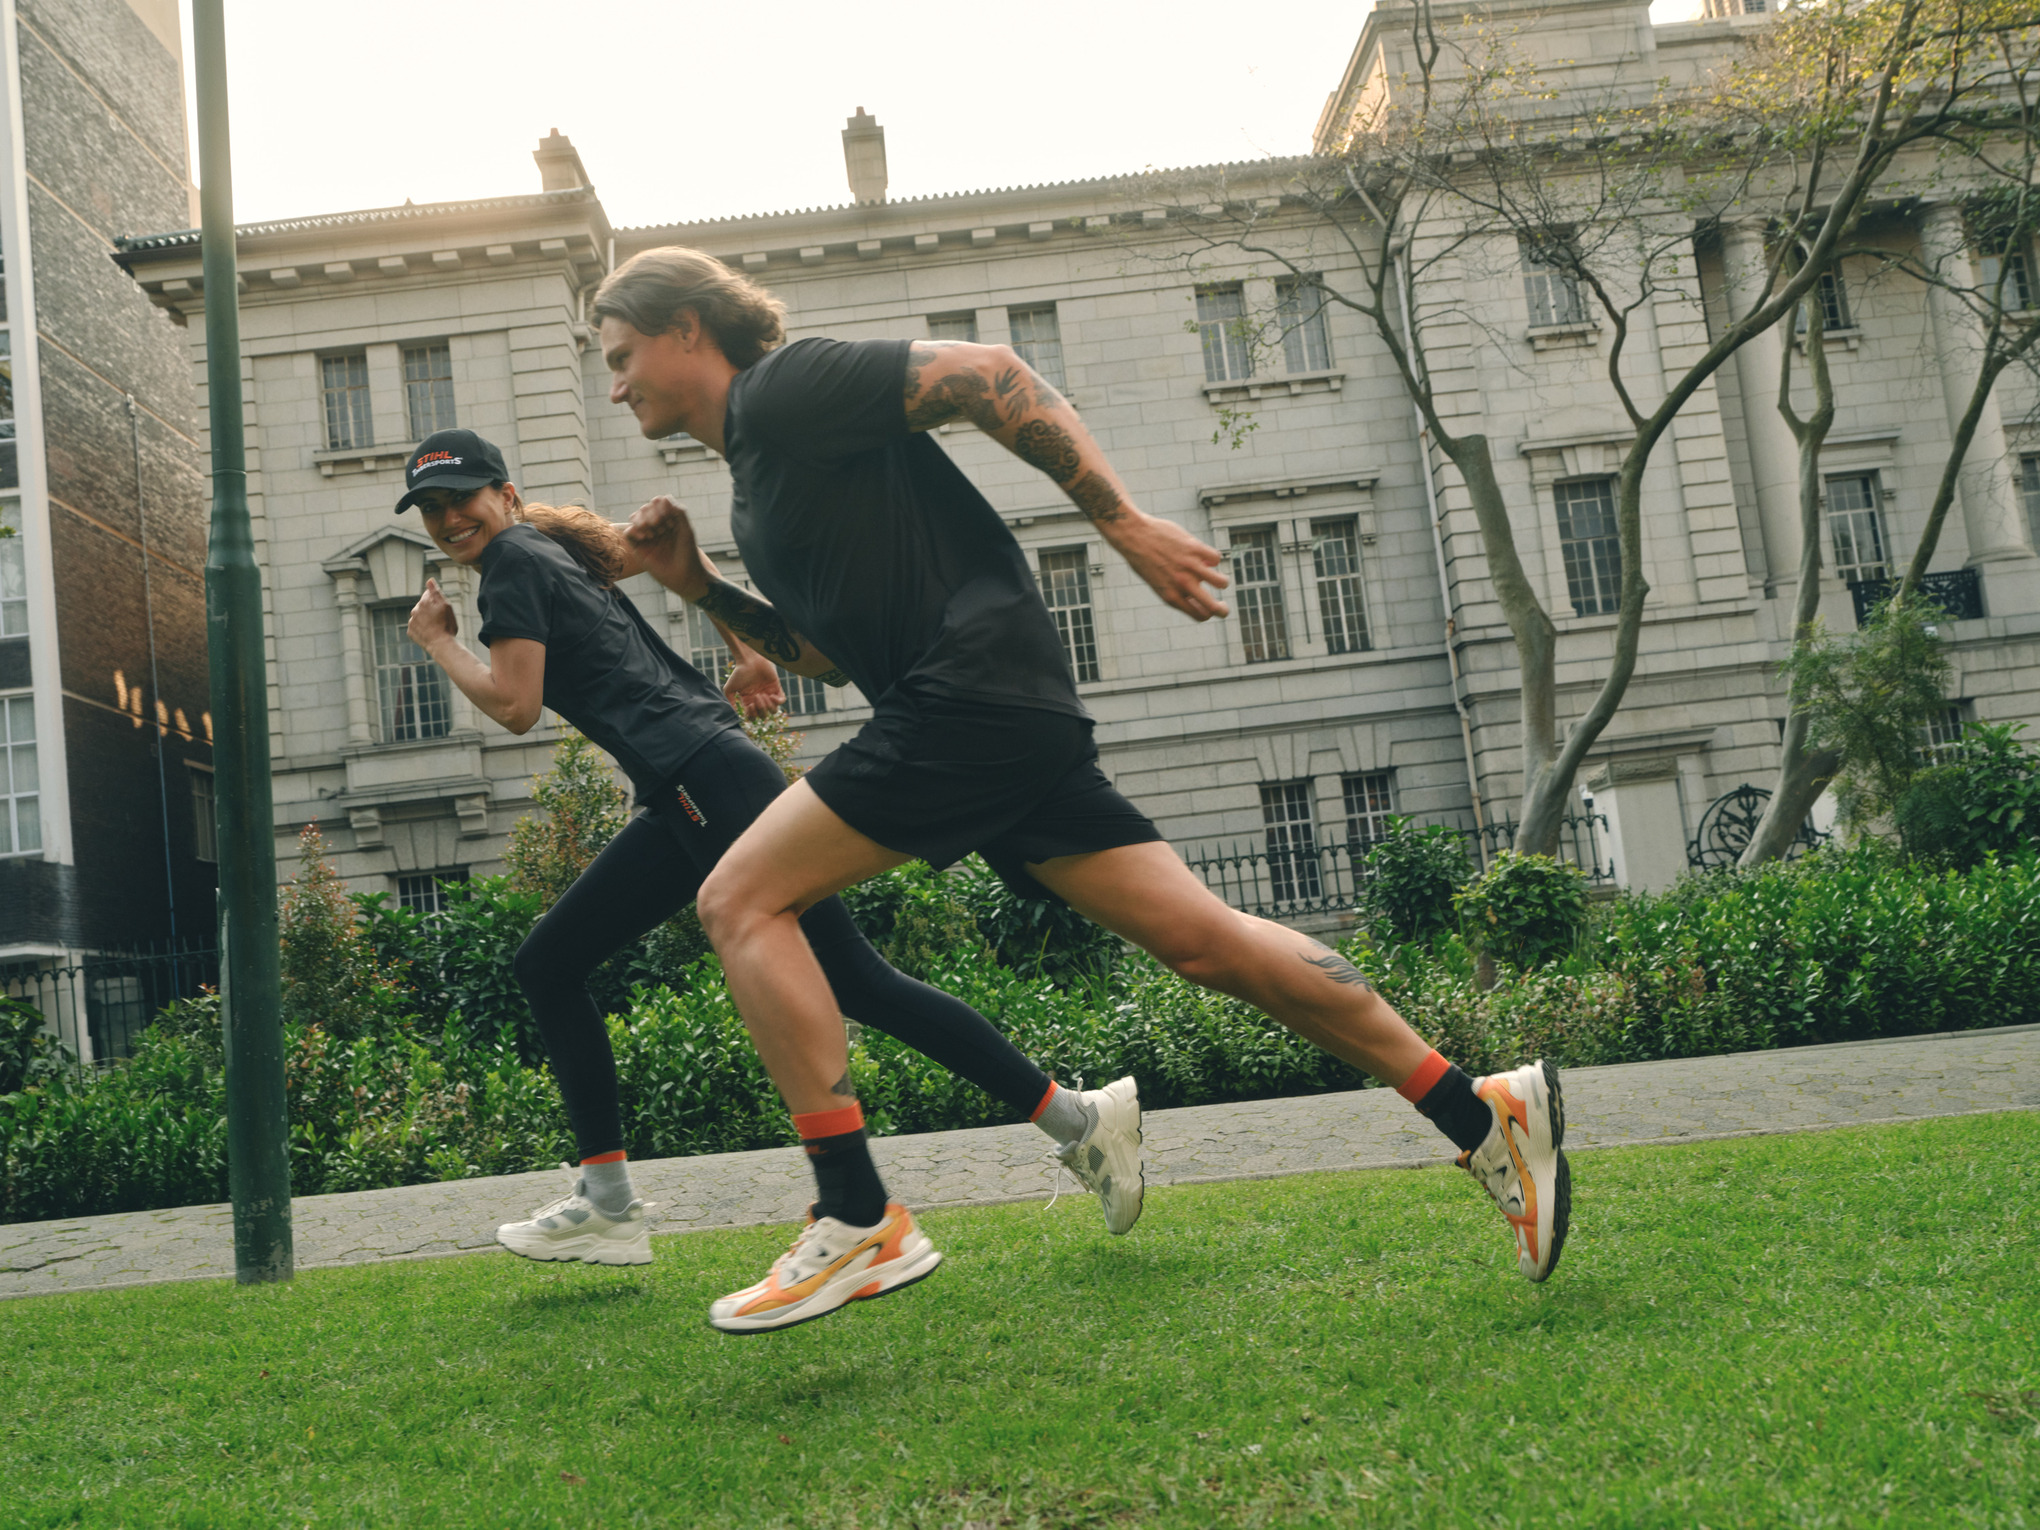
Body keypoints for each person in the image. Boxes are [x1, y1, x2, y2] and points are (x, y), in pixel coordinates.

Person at [594, 249, 1572, 1333]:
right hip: (995, 710)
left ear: (689, 328)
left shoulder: (785, 386)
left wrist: (1119, 519)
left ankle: (857, 1210)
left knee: (739, 899)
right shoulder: (761, 477)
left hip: (963, 699)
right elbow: (824, 654)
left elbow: (986, 373)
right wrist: (699, 588)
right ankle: (1476, 1109)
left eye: (624, 354)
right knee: (1204, 942)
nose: (617, 382)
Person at [394, 428, 1145, 1304]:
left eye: (464, 498)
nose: (451, 518)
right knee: (551, 962)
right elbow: (663, 565)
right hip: (689, 785)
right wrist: (744, 651)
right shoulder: (545, 551)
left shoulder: (516, 561)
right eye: (434, 509)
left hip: (701, 781)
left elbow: (517, 705)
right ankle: (607, 1203)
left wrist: (440, 643)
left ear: (506, 494)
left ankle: (1074, 1119)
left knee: (856, 981)